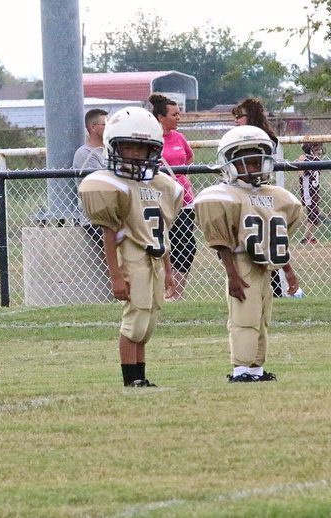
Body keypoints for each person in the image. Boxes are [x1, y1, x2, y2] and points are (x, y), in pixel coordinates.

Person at [77, 106, 184, 387]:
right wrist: (115, 275)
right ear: (114, 147)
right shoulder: (112, 185)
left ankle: (141, 377)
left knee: (146, 324)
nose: (135, 153)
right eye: (128, 147)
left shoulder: (161, 185)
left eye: (141, 148)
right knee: (134, 322)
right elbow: (109, 234)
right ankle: (131, 379)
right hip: (133, 259)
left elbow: (161, 234)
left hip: (155, 259)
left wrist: (168, 270)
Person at [194, 125, 302, 382]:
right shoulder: (224, 195)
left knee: (262, 318)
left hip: (265, 266)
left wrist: (288, 270)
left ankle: (256, 369)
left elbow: (276, 239)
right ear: (229, 164)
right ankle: (240, 369)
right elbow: (222, 242)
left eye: (256, 162)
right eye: (245, 163)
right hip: (242, 262)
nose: (253, 168)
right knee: (244, 318)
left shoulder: (276, 196)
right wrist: (232, 274)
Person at [231, 98, 287, 297]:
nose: (236, 121)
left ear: (252, 116)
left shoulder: (265, 139)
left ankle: (275, 287)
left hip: (260, 195)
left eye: (240, 116)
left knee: (265, 240)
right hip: (240, 195)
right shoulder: (234, 138)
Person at [149, 94, 195, 301]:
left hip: (184, 200)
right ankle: (159, 289)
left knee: (186, 246)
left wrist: (182, 178)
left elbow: (189, 157)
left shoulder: (179, 137)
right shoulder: (152, 139)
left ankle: (175, 294)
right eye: (174, 114)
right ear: (160, 117)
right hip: (159, 201)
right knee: (162, 245)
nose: (178, 118)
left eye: (179, 113)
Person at [297, 142, 325, 245]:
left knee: (313, 215)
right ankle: (305, 238)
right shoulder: (305, 159)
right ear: (311, 149)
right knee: (313, 215)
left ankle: (310, 236)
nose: (320, 151)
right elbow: (300, 174)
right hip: (308, 191)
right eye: (317, 149)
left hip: (315, 191)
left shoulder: (316, 160)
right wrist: (302, 161)